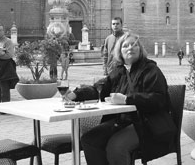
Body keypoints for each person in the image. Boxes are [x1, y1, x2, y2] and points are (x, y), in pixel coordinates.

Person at [65, 32, 176, 165]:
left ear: (140, 49)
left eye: (134, 45)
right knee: (89, 139)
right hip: (121, 121)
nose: (130, 48)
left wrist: (127, 99)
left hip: (146, 123)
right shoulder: (118, 71)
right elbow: (99, 89)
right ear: (120, 51)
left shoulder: (151, 70)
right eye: (125, 46)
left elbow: (158, 99)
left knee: (116, 146)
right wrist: (77, 94)